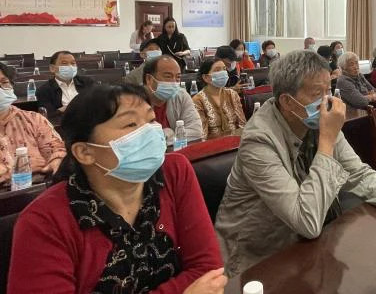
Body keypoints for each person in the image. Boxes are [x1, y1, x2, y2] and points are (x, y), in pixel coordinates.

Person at [215, 50, 376, 276]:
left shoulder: (316, 119)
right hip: (258, 258)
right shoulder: (259, 141)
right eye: (317, 93)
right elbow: (306, 221)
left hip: (307, 245)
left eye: (328, 90)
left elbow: (358, 173)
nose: (327, 101)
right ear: (287, 101)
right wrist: (327, 141)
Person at [8, 84, 226, 293]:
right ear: (85, 152)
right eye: (131, 125)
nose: (150, 133)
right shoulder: (44, 220)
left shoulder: (173, 172)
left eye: (151, 120)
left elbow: (209, 270)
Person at [0, 62, 65, 184]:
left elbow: (57, 148)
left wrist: (56, 161)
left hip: (38, 187)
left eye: (4, 82)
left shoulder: (34, 119)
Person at [142, 55, 203, 142]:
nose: (174, 82)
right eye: (168, 76)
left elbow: (196, 132)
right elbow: (140, 141)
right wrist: (175, 135)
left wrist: (168, 135)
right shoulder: (133, 101)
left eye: (178, 77)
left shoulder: (181, 95)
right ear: (149, 79)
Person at [193, 59, 246, 138]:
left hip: (235, 141)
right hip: (213, 144)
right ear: (206, 77)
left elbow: (242, 125)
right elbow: (202, 135)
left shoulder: (232, 94)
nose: (223, 73)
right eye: (217, 70)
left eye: (224, 69)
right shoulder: (198, 100)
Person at [36, 50, 95, 120]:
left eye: (73, 63)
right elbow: (48, 116)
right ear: (52, 68)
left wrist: (64, 109)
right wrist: (62, 110)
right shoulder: (44, 90)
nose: (70, 66)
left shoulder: (87, 82)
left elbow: (98, 104)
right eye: (64, 63)